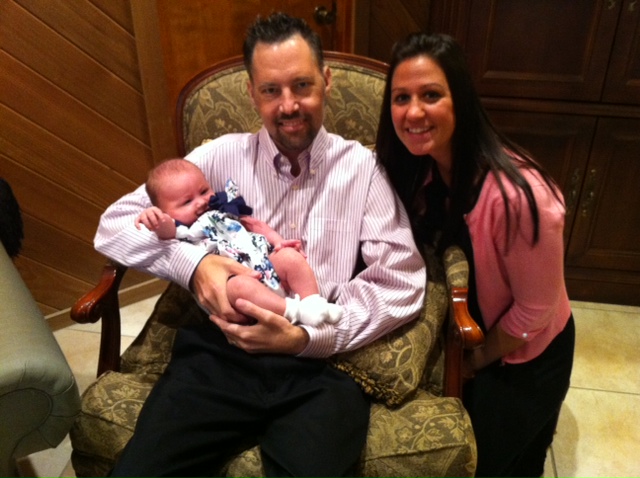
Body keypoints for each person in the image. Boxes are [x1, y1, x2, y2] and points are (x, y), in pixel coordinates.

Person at [94, 12, 426, 478]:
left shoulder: (362, 170)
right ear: (251, 93)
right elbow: (113, 226)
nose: (288, 105)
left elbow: (401, 280)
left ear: (327, 81)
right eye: (271, 90)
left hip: (320, 368)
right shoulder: (216, 156)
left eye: (302, 86)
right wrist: (195, 264)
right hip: (218, 355)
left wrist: (311, 338)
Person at [375, 32, 575, 478]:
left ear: (461, 99)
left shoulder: (522, 197)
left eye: (431, 95)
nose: (412, 112)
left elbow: (535, 310)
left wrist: (475, 361)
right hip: (484, 329)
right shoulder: (426, 166)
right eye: (401, 97)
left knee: (495, 463)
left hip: (527, 354)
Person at [136, 158, 342, 326]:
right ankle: (295, 312)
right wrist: (155, 219)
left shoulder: (224, 210)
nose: (201, 202)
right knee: (240, 286)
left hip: (266, 264)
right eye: (187, 201)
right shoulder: (184, 230)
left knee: (290, 257)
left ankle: (314, 302)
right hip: (233, 282)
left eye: (204, 191)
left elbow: (256, 225)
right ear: (165, 212)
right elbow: (166, 232)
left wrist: (279, 242)